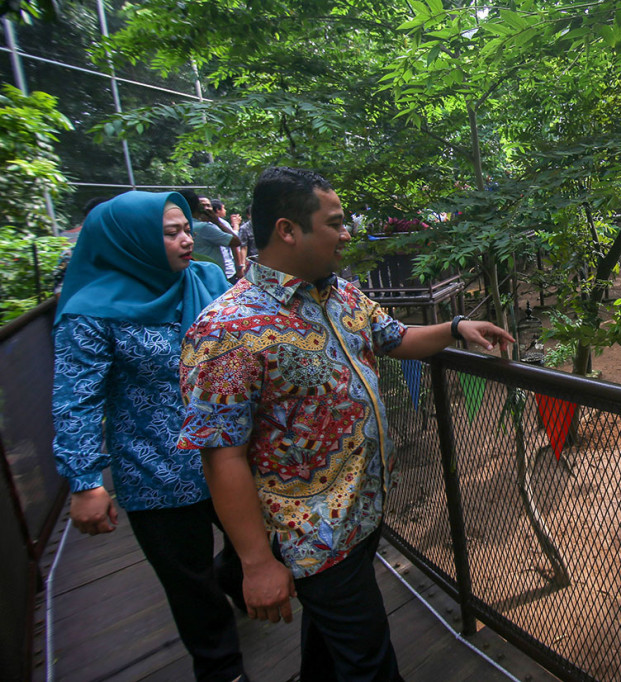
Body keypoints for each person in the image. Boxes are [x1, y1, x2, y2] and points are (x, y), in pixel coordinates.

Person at [178, 167, 513, 681]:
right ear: (289, 230)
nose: (348, 233)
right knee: (370, 664)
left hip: (363, 514)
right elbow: (221, 454)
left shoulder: (340, 295)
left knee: (331, 651)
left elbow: (395, 337)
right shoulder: (226, 329)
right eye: (335, 222)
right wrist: (256, 563)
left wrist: (454, 328)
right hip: (311, 537)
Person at [51, 191, 248, 682]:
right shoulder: (92, 312)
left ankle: (234, 577)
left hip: (231, 457)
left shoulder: (204, 279)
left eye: (186, 228)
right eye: (171, 232)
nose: (186, 240)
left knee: (258, 550)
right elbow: (76, 398)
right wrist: (85, 481)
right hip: (156, 472)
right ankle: (222, 670)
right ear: (130, 240)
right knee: (191, 586)